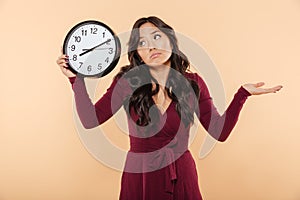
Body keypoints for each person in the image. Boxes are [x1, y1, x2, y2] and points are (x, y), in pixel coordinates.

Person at [56, 16, 283, 200]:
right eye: (142, 43)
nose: (151, 45)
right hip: (140, 176)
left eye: (157, 36)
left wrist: (241, 95)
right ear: (138, 54)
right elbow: (90, 119)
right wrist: (76, 80)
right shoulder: (127, 82)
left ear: (171, 42)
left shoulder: (194, 83)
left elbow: (219, 132)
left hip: (181, 174)